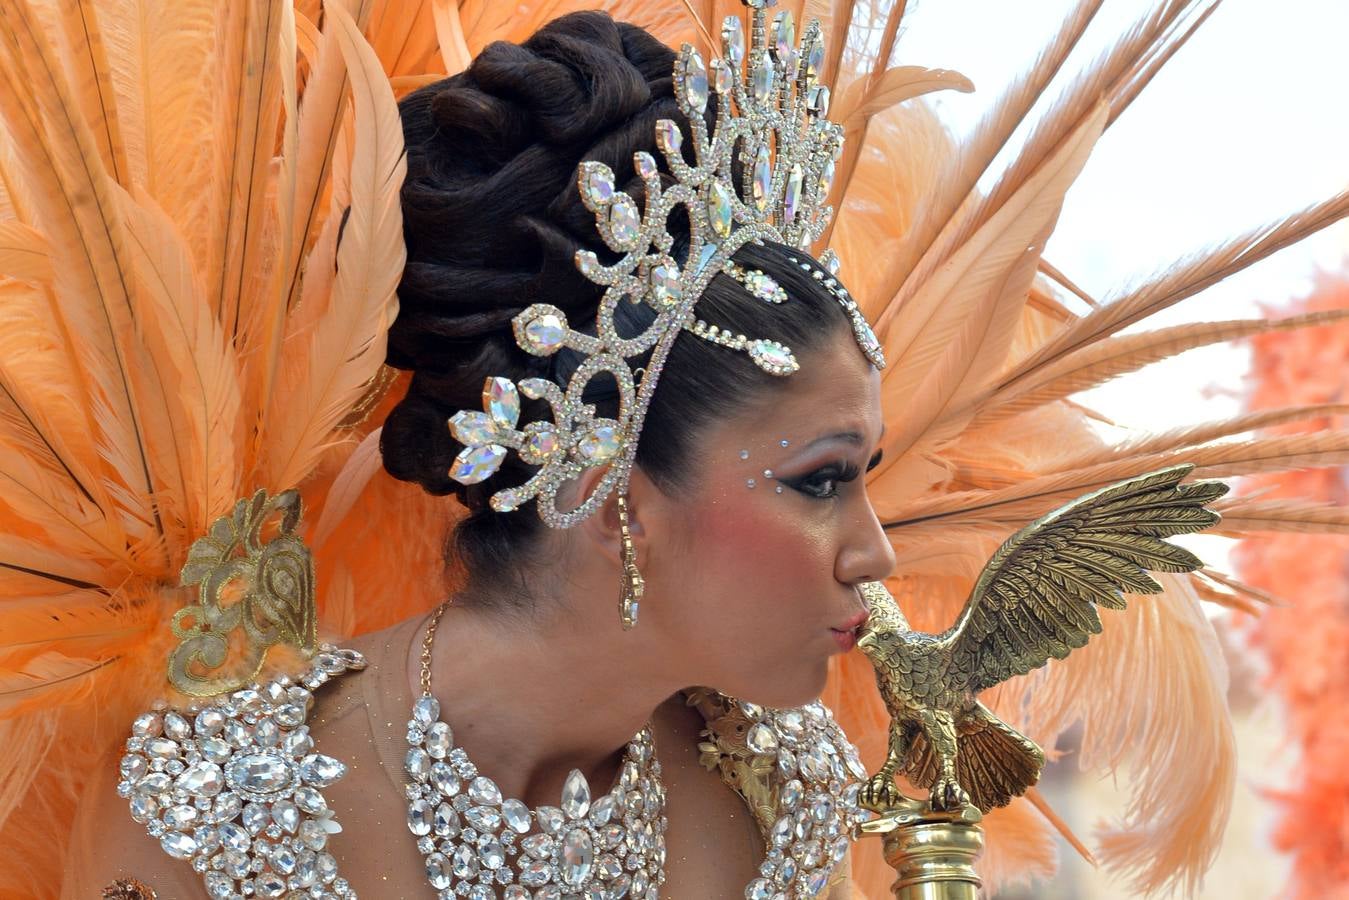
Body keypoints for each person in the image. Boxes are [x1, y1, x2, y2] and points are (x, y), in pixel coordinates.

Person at [66, 8, 894, 898]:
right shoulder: (217, 808)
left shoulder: (783, 790)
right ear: (613, 493)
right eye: (820, 481)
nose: (877, 553)